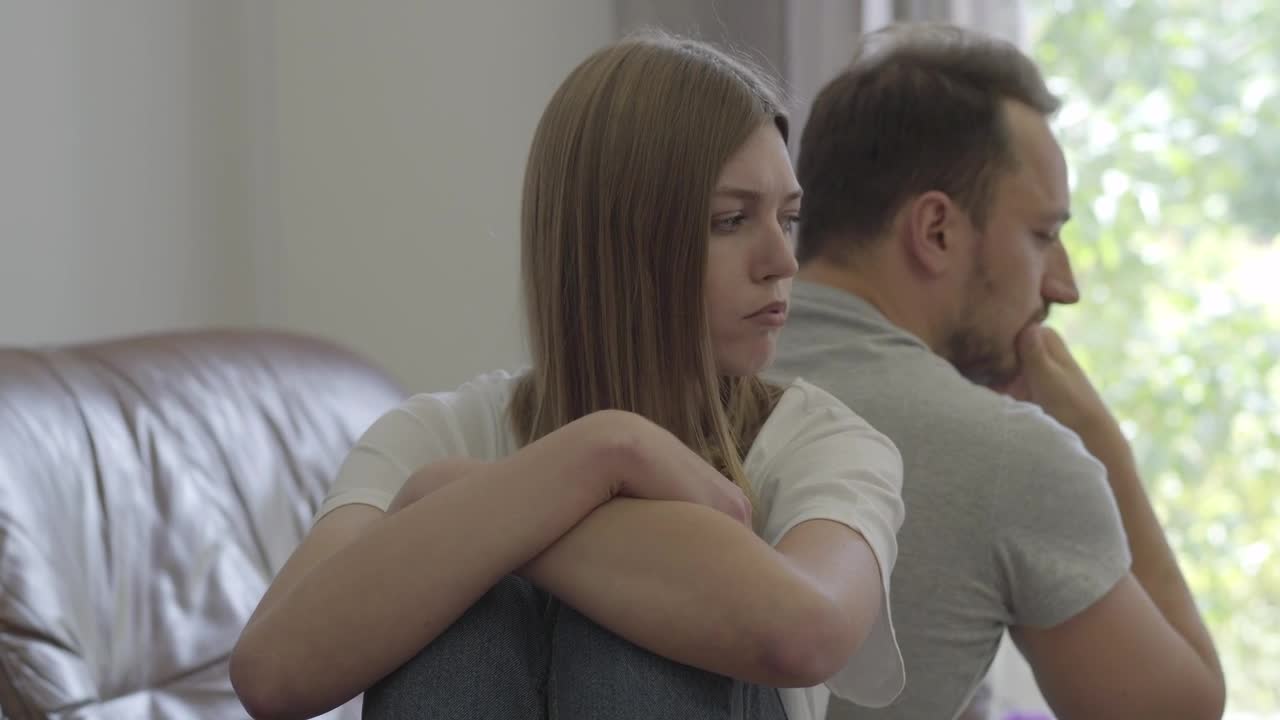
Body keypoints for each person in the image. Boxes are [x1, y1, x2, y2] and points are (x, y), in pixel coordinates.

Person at [230, 33, 907, 720]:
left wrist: (460, 496)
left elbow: (809, 632)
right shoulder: (438, 430)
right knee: (465, 604)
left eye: (788, 219)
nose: (781, 262)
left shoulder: (828, 443)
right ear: (620, 240)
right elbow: (273, 673)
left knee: (635, 607)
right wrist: (607, 451)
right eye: (730, 221)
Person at [770, 22, 1225, 720]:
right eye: (1044, 236)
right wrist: (1101, 444)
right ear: (937, 231)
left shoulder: (653, 380)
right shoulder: (1006, 452)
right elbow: (1182, 712)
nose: (1064, 286)